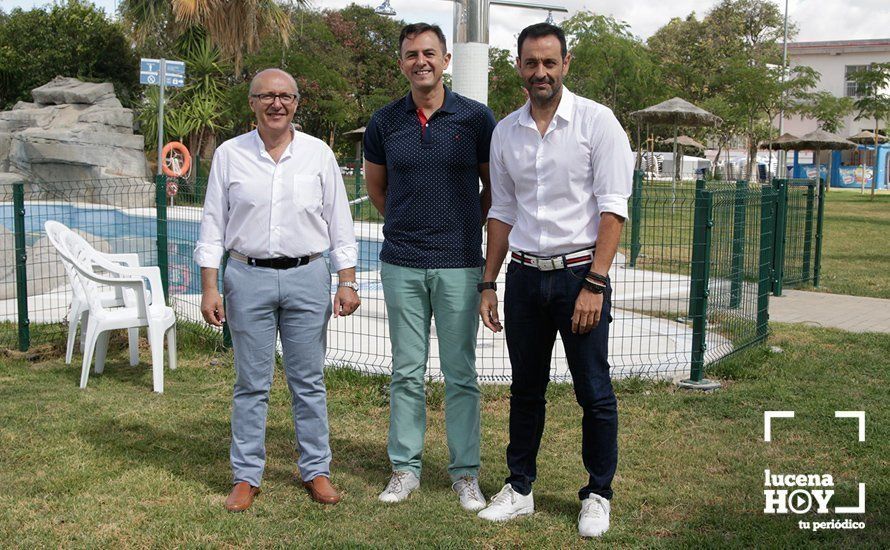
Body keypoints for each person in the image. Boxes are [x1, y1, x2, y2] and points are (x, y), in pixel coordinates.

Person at [476, 23, 633, 538]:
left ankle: (597, 494)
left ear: (566, 64)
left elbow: (613, 209)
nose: (539, 72)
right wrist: (488, 282)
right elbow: (500, 210)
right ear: (518, 67)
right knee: (526, 390)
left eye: (549, 62)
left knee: (594, 391)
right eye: (530, 63)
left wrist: (595, 283)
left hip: (579, 278)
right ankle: (519, 488)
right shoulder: (505, 131)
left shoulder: (597, 122)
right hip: (524, 277)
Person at [194, 68, 360, 512]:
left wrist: (346, 281)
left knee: (308, 380)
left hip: (308, 276)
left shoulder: (319, 155)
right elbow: (213, 224)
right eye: (267, 96)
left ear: (296, 103)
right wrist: (210, 288)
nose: (276, 104)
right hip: (246, 278)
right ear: (252, 103)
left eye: (285, 96)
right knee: (251, 383)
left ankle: (316, 470)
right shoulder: (230, 156)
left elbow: (339, 223)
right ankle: (246, 476)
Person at [363, 22, 497, 511]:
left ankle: (465, 473)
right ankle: (405, 468)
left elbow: (492, 189)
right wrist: (408, 223)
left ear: (445, 60)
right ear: (401, 62)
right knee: (405, 371)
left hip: (460, 263)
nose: (421, 61)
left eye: (429, 53)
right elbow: (378, 189)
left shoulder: (477, 118)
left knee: (460, 374)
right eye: (411, 54)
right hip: (402, 262)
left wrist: (463, 226)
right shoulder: (384, 122)